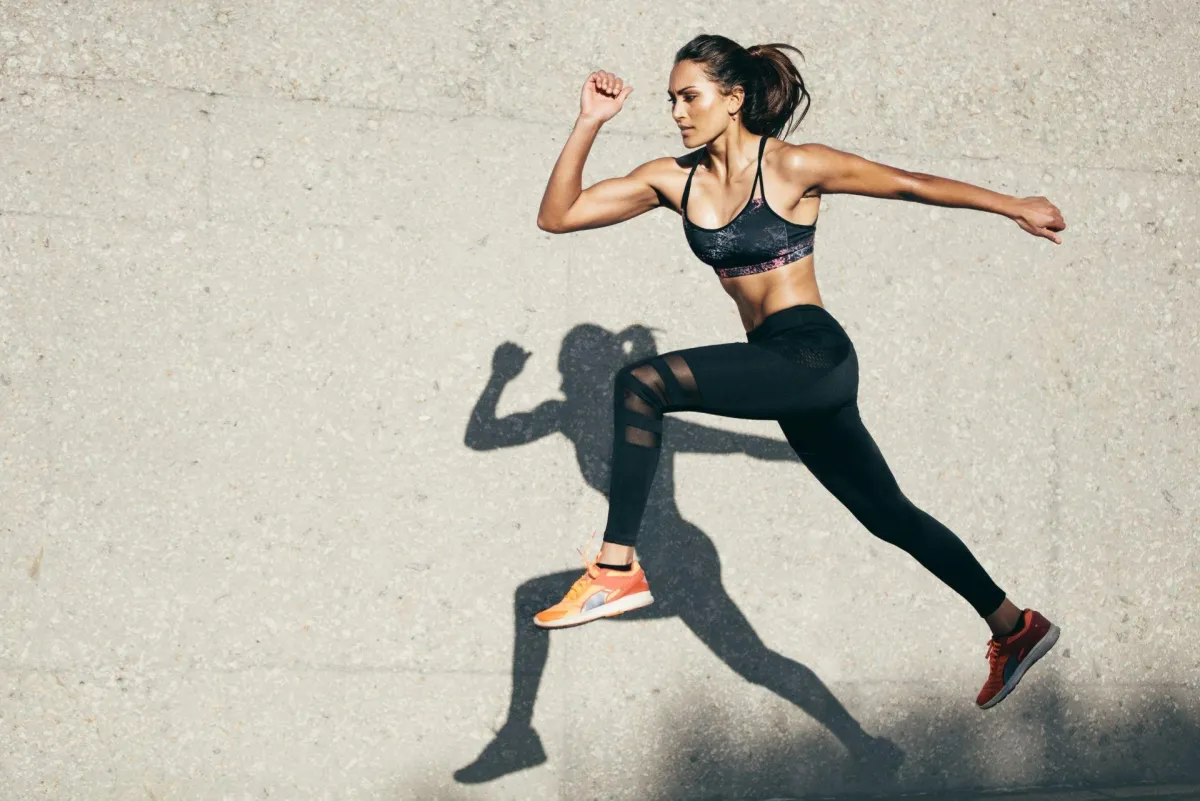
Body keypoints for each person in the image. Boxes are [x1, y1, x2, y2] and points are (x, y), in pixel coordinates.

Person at [533, 33, 1064, 711]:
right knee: (888, 514)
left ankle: (615, 567)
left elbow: (910, 184)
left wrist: (1013, 204)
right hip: (777, 371)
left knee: (642, 384)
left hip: (813, 354)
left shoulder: (792, 166)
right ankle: (1015, 626)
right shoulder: (672, 179)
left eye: (690, 97)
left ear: (733, 98)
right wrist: (589, 122)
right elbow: (558, 216)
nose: (677, 112)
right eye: (670, 100)